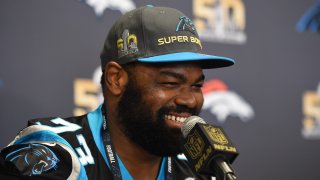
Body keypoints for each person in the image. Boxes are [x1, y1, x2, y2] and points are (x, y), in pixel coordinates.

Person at [0, 5, 234, 180]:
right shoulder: (55, 152)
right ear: (116, 79)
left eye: (197, 86)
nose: (189, 99)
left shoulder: (201, 168)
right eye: (170, 82)